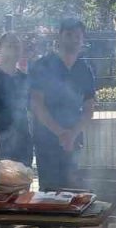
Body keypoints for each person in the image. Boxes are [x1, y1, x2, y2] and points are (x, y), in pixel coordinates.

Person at [30, 20, 95, 191]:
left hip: (74, 142)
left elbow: (89, 109)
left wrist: (72, 134)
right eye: (68, 35)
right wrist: (60, 133)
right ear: (59, 37)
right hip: (46, 140)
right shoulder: (42, 65)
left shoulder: (85, 69)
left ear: (82, 41)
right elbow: (37, 104)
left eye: (77, 36)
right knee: (49, 193)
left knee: (73, 191)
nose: (73, 40)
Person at [0, 32, 33, 165]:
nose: (13, 50)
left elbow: (33, 111)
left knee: (21, 184)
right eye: (9, 46)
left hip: (22, 146)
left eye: (17, 46)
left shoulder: (26, 80)